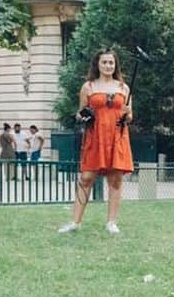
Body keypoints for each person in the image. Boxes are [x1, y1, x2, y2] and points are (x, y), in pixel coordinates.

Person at [57, 49, 134, 235]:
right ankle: (75, 222)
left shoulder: (124, 88)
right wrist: (84, 116)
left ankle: (111, 222)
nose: (108, 66)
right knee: (86, 178)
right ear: (97, 65)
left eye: (111, 63)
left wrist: (127, 116)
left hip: (117, 136)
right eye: (104, 62)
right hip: (95, 136)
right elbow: (80, 112)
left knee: (115, 180)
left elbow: (130, 115)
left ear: (115, 65)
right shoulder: (88, 87)